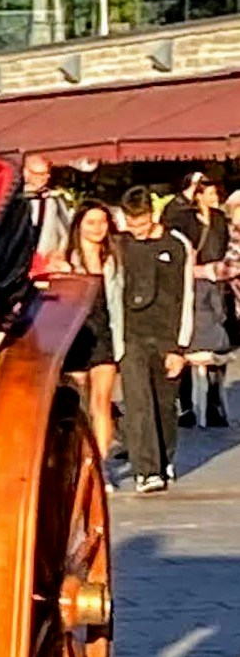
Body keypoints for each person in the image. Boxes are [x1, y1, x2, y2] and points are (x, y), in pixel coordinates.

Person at [107, 181, 192, 494]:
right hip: (131, 333)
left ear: (152, 215)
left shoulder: (177, 244)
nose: (136, 229)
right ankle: (147, 470)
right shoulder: (121, 244)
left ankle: (165, 459)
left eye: (141, 223)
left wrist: (180, 347)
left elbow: (186, 294)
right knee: (138, 402)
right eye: (131, 223)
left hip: (167, 335)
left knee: (165, 405)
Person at [163, 168, 231, 430]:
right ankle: (187, 405)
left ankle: (213, 401)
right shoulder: (183, 218)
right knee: (188, 342)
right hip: (190, 283)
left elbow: (223, 247)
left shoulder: (219, 219)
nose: (214, 197)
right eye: (210, 192)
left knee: (216, 341)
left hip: (215, 283)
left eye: (216, 192)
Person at [68, 197, 121, 471]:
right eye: (91, 222)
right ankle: (76, 460)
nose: (98, 228)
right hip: (75, 335)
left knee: (101, 401)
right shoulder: (66, 259)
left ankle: (98, 468)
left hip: (105, 334)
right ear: (78, 225)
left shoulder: (115, 258)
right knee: (76, 404)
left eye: (102, 222)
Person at [22, 152, 75, 274]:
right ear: (26, 173)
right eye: (39, 174)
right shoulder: (12, 201)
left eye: (47, 173)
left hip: (46, 264)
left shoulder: (55, 200)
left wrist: (60, 251)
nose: (45, 178)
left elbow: (65, 231)